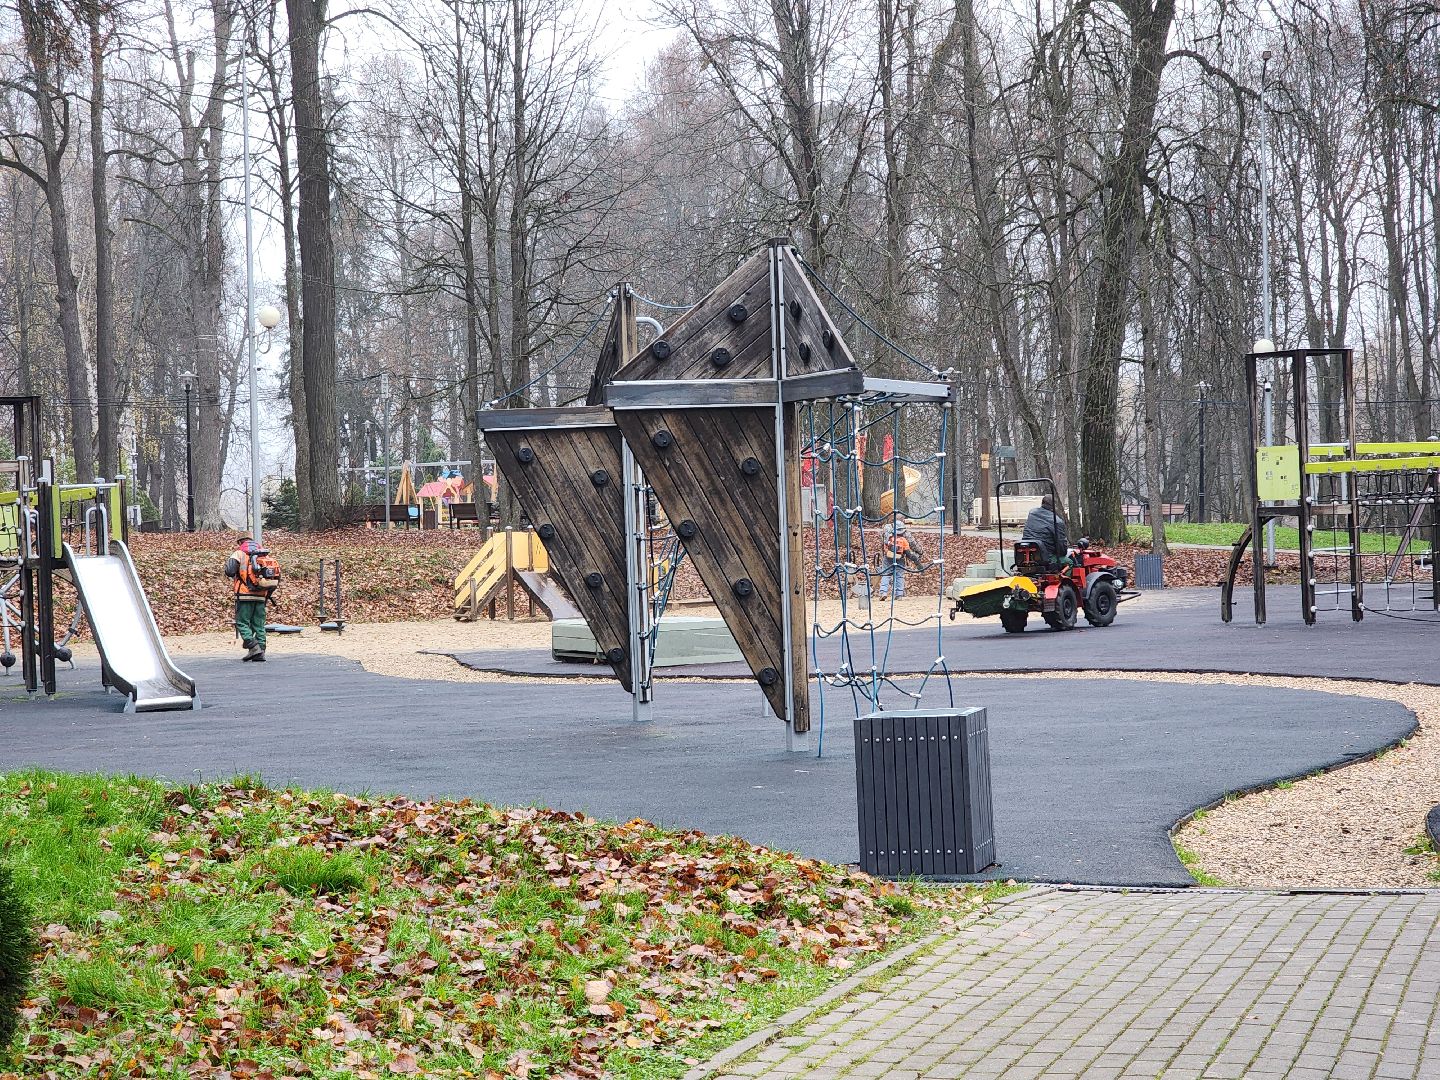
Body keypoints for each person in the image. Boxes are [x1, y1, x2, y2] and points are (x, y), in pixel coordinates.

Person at [225, 534, 270, 662]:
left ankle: (253, 646)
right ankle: (260, 651)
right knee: (259, 624)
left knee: (242, 622)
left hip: (244, 594)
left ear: (240, 541)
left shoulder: (238, 553)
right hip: (261, 594)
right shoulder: (264, 554)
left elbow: (229, 571)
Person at [1020, 493, 1069, 566]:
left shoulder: (1032, 513)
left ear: (1042, 503)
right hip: (1045, 558)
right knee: (1070, 562)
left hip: (1025, 556)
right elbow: (1062, 549)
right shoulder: (1057, 521)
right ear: (1054, 506)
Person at [875, 521, 912, 600]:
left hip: (888, 558)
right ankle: (899, 594)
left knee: (886, 574)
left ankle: (883, 592)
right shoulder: (904, 540)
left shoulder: (889, 538)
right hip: (900, 559)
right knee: (899, 576)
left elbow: (885, 546)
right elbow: (907, 551)